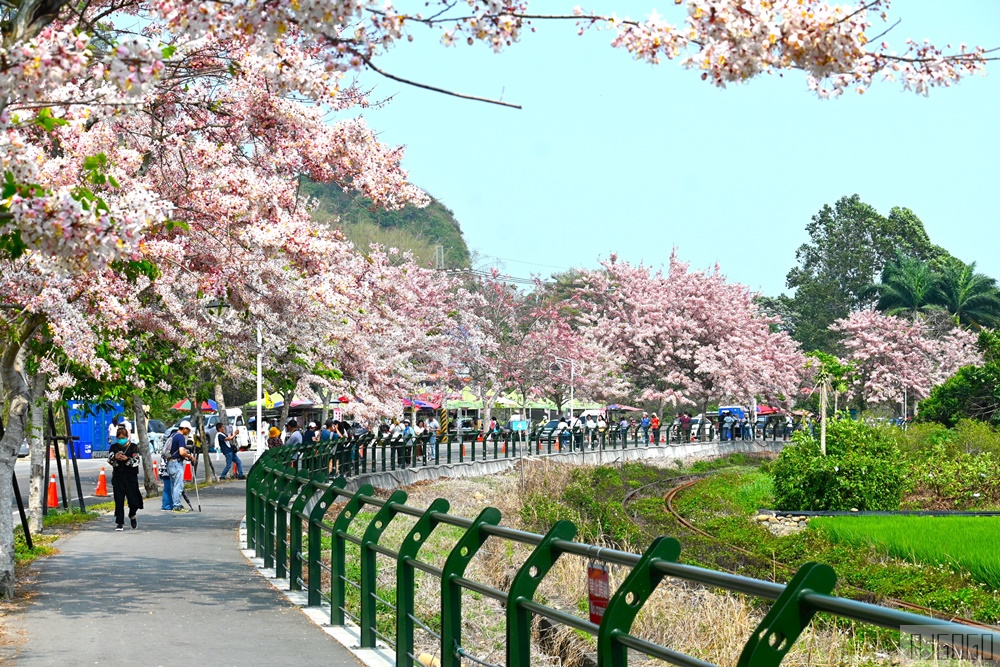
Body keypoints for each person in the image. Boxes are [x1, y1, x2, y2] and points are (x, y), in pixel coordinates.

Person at [108, 426, 143, 530]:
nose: (121, 439)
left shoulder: (133, 447)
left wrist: (127, 459)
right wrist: (115, 457)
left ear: (127, 437)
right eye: (119, 437)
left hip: (130, 477)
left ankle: (132, 515)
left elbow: (136, 461)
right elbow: (109, 460)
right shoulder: (114, 447)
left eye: (123, 437)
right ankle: (119, 522)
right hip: (118, 477)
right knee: (119, 500)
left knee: (133, 500)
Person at [166, 421, 195, 513]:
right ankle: (177, 505)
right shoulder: (181, 437)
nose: (189, 432)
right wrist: (189, 456)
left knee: (174, 485)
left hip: (170, 463)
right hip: (176, 463)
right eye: (188, 430)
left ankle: (175, 503)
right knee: (178, 485)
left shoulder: (173, 435)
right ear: (184, 429)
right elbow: (182, 452)